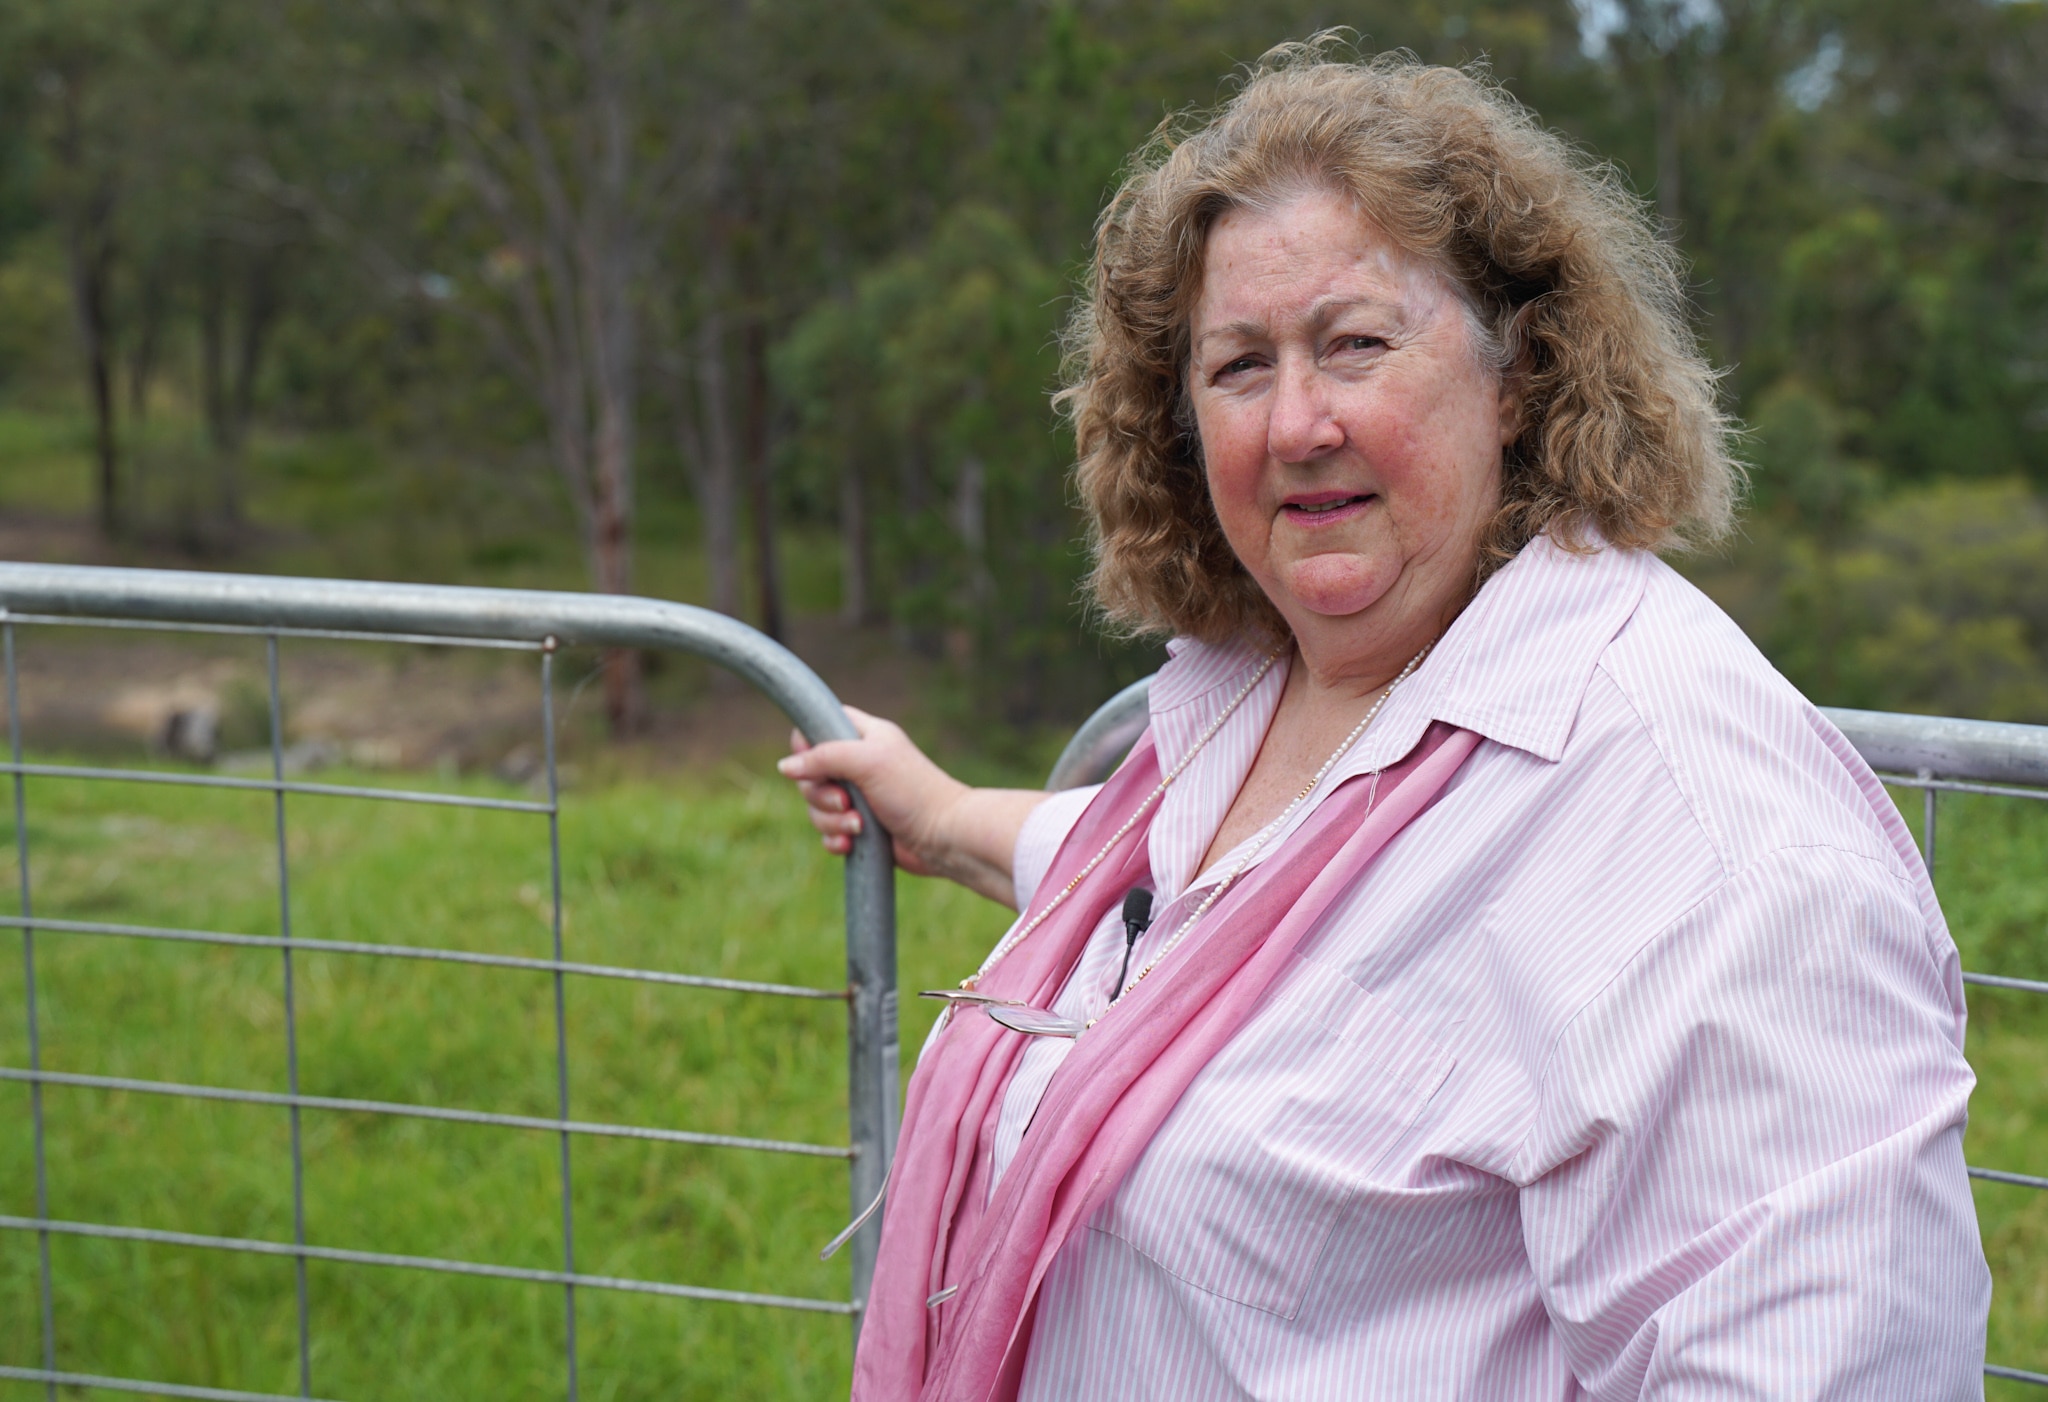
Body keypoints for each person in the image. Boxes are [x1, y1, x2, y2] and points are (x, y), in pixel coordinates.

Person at [778, 45, 1989, 1401]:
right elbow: (1197, 916)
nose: (1299, 422)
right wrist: (940, 816)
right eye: (1240, 365)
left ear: (1521, 370)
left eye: (1357, 343)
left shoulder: (1697, 823)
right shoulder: (1254, 696)